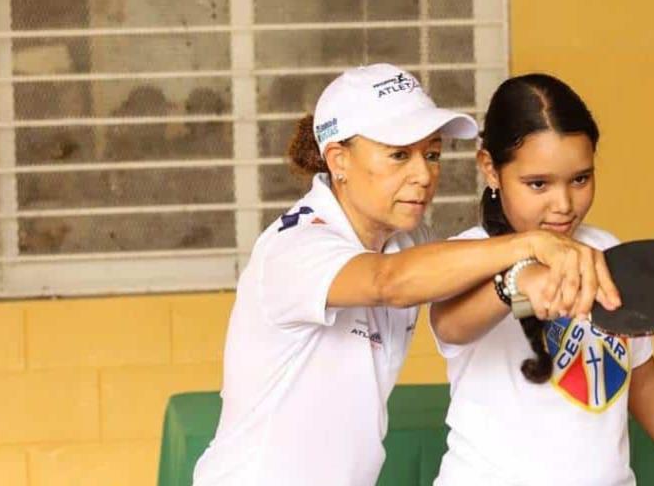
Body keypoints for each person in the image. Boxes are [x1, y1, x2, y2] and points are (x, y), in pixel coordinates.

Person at [191, 64, 622, 486]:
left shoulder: (407, 243)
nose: (424, 174)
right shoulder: (296, 244)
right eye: (399, 154)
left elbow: (456, 281)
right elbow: (387, 283)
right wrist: (528, 246)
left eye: (431, 153)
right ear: (338, 159)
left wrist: (526, 276)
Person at [430, 73, 654, 486]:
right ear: (490, 169)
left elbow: (640, 376)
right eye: (538, 184)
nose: (564, 205)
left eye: (580, 179)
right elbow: (450, 325)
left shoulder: (604, 250)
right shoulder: (469, 254)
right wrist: (517, 283)